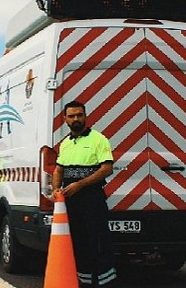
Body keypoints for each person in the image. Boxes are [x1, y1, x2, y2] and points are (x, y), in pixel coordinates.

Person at [52, 100, 117, 287]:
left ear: (85, 116)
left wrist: (80, 184)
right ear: (65, 119)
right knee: (79, 243)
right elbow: (59, 170)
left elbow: (107, 169)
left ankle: (104, 282)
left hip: (91, 198)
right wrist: (56, 189)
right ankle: (85, 281)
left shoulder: (98, 139)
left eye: (79, 115)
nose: (76, 119)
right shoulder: (65, 143)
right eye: (71, 116)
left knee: (97, 242)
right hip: (72, 201)